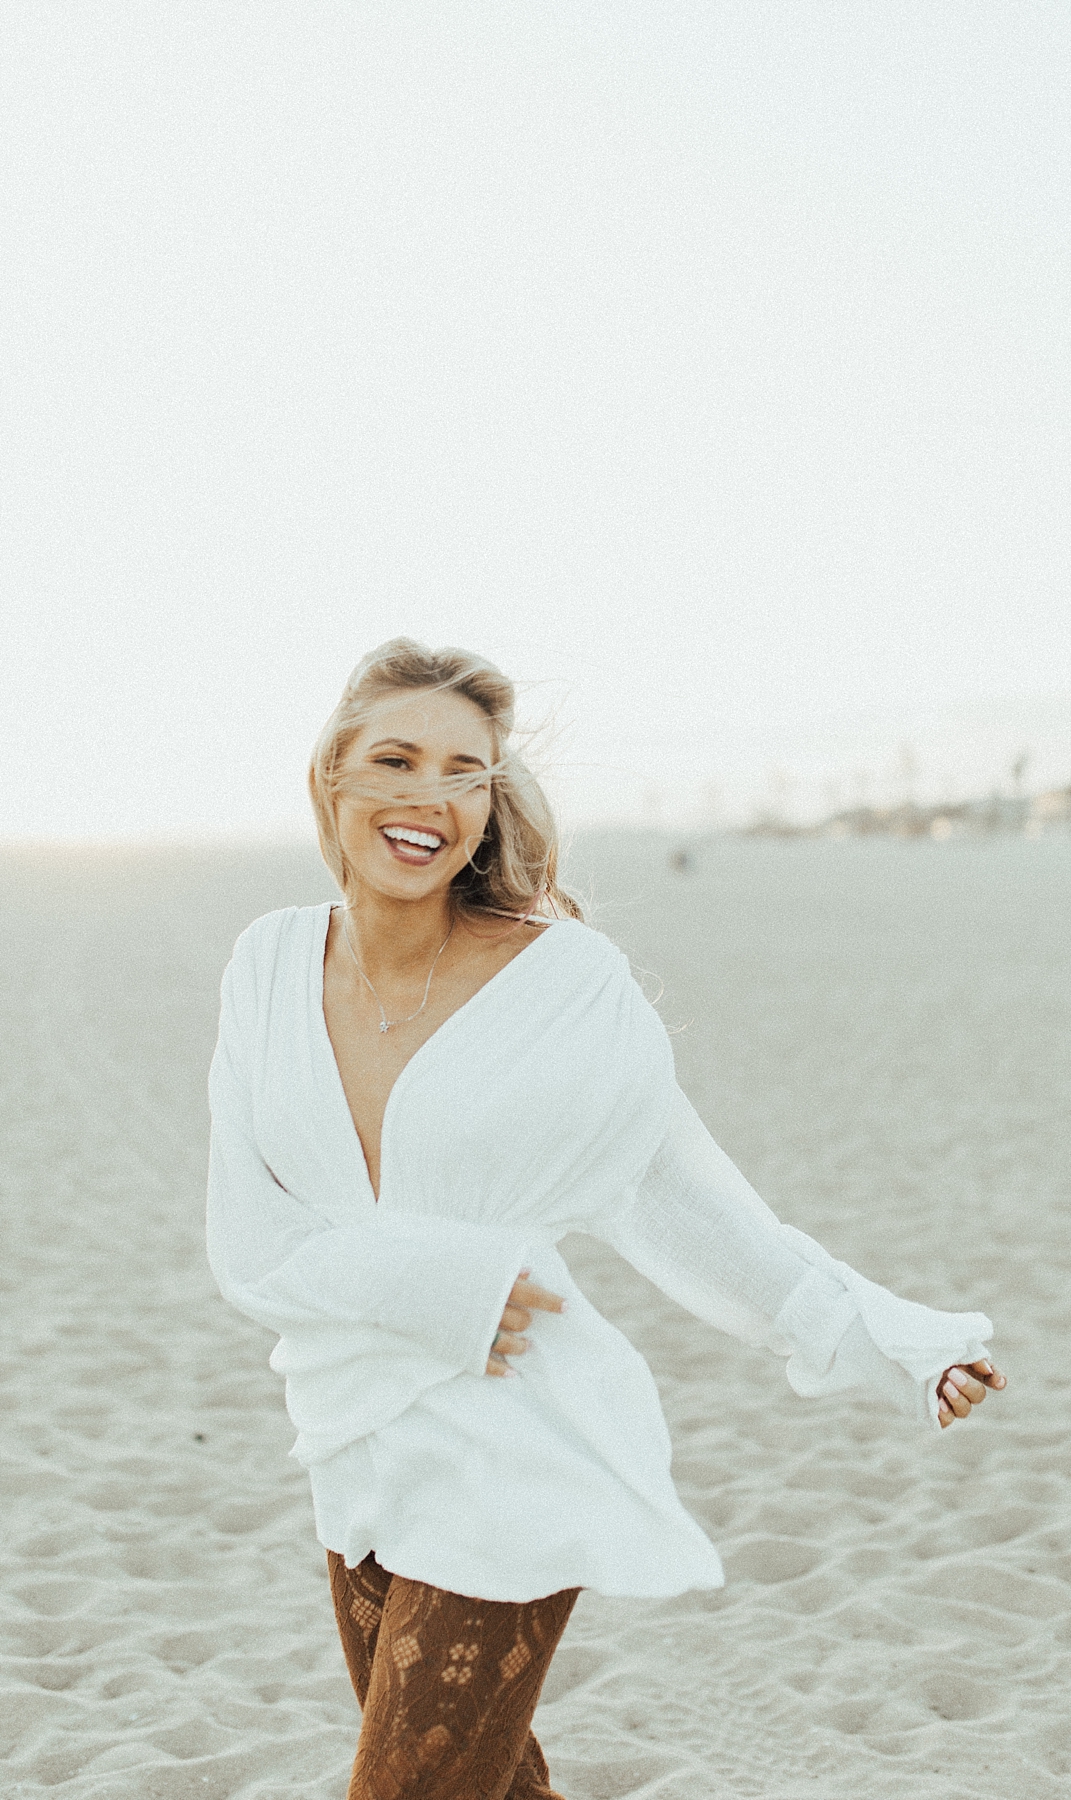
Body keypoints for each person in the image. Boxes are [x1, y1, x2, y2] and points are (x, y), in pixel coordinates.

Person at [206, 637, 1006, 1800]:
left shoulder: (566, 982)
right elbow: (247, 1236)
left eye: (464, 772)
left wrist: (878, 1339)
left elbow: (683, 1191)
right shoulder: (266, 963)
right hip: (350, 1433)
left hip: (520, 1441)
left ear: (490, 802)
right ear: (335, 775)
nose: (428, 796)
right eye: (395, 758)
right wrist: (441, 1290)